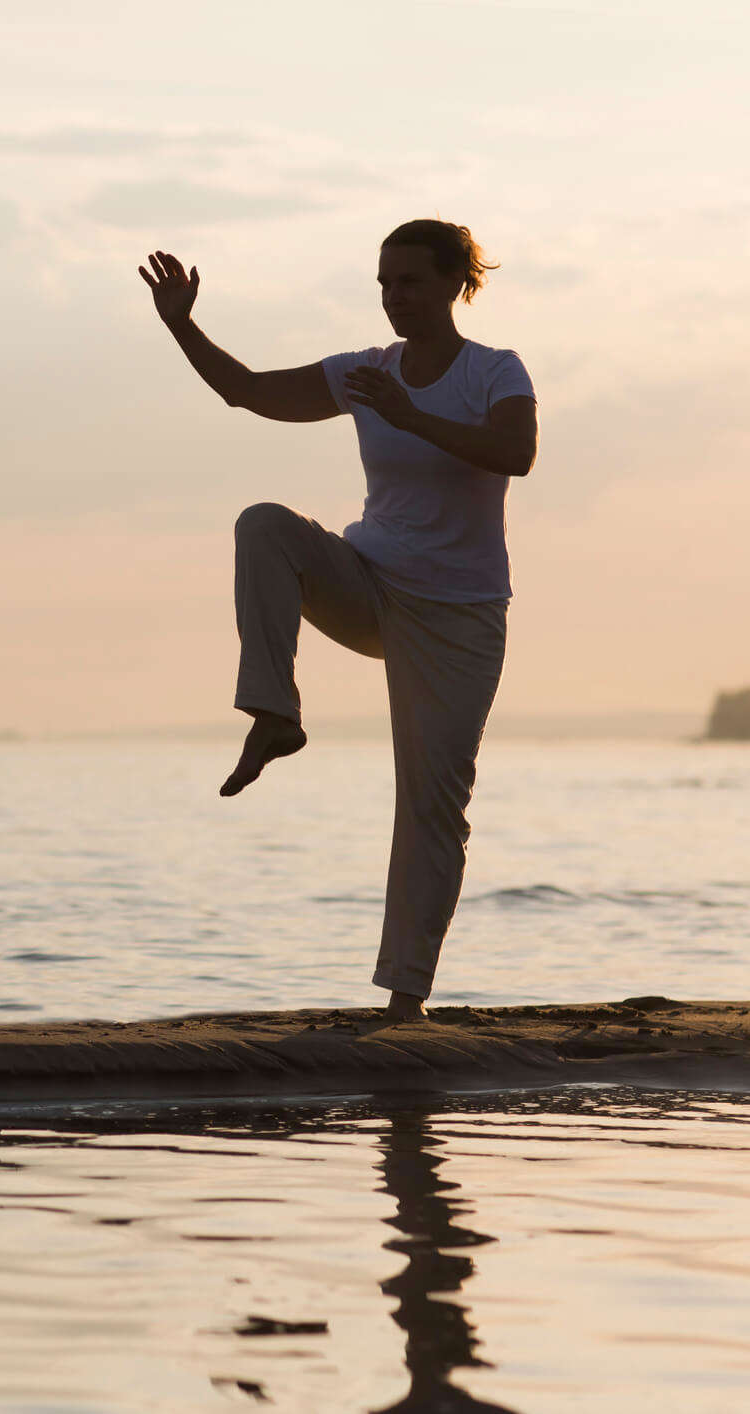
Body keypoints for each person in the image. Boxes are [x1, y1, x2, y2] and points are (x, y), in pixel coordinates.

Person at [138, 221, 538, 1032]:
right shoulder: (364, 373)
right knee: (264, 525)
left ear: (455, 282)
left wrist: (412, 414)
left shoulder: (494, 372)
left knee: (432, 804)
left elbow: (515, 452)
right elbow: (245, 390)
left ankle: (402, 1001)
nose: (394, 298)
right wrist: (182, 324)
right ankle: (274, 715)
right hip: (368, 581)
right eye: (383, 283)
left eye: (410, 283)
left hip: (457, 616)